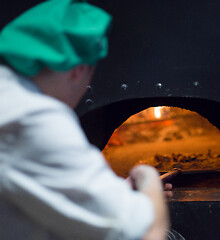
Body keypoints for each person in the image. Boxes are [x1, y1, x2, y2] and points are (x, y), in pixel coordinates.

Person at [0, 0, 170, 239]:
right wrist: (148, 177)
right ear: (79, 70)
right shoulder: (35, 118)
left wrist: (118, 192)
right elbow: (147, 232)